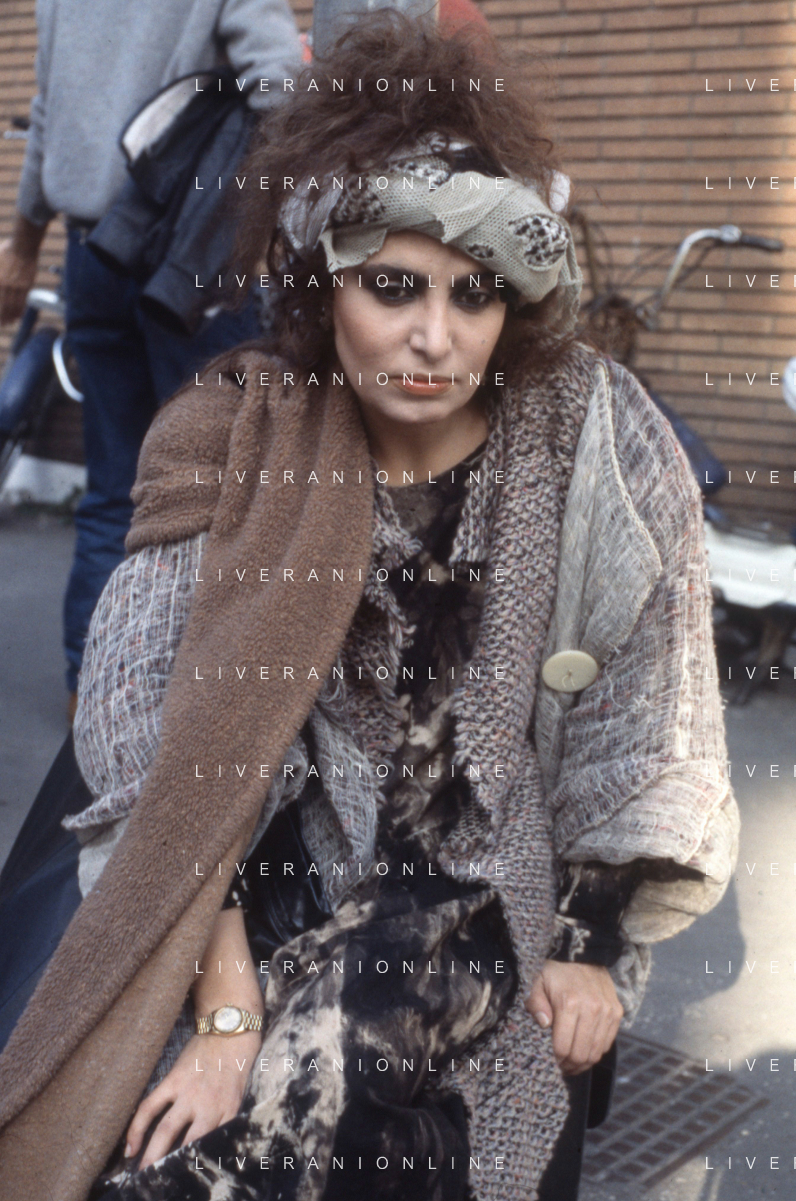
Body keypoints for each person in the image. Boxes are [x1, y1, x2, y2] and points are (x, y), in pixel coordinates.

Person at [0, 15, 739, 1201]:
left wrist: (590, 944)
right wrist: (228, 1012)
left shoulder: (597, 436)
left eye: (474, 293)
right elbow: (143, 732)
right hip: (264, 862)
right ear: (321, 279)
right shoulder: (234, 428)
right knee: (135, 1141)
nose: (434, 337)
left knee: (334, 1130)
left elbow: (652, 711)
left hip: (486, 887)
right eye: (392, 286)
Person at [0, 0, 303, 713]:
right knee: (220, 484)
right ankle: (195, 700)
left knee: (115, 484)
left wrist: (24, 243)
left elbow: (47, 114)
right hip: (188, 246)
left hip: (92, 249)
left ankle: (92, 689)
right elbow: (281, 88)